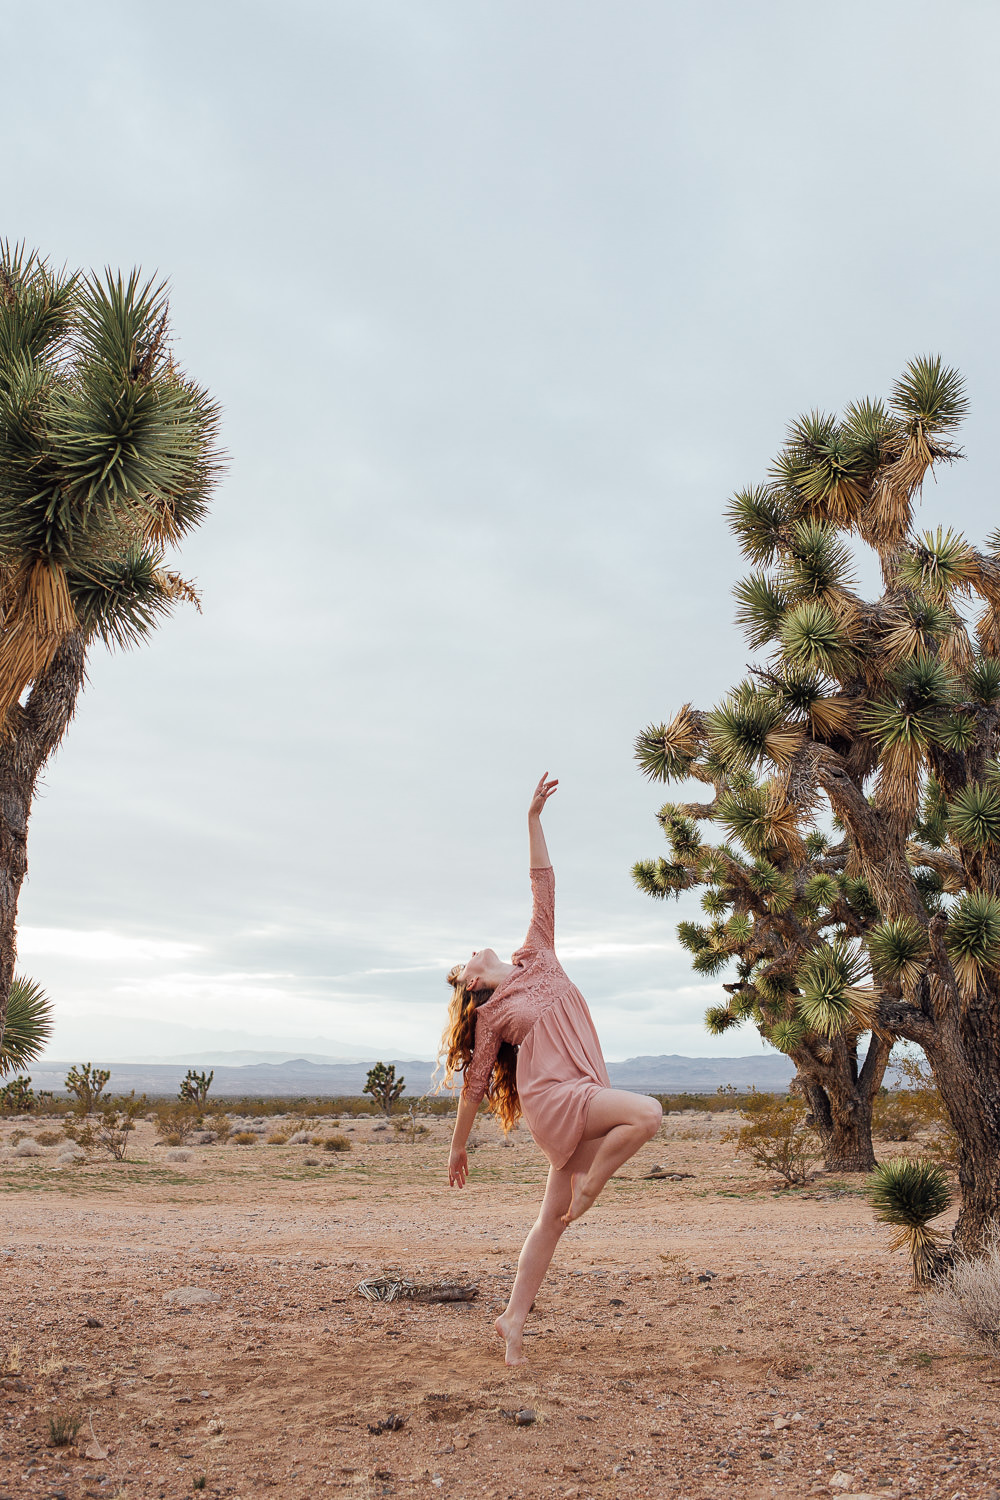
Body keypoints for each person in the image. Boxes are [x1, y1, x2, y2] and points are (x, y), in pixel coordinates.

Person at [438, 773, 662, 1365]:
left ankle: (512, 1320)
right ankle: (593, 1186)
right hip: (559, 1098)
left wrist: (532, 818)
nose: (471, 952)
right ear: (472, 986)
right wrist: (460, 1149)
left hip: (584, 1088)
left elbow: (544, 883)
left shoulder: (537, 952)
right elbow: (473, 1089)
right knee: (648, 1114)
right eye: (463, 964)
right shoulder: (493, 1018)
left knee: (549, 1223)